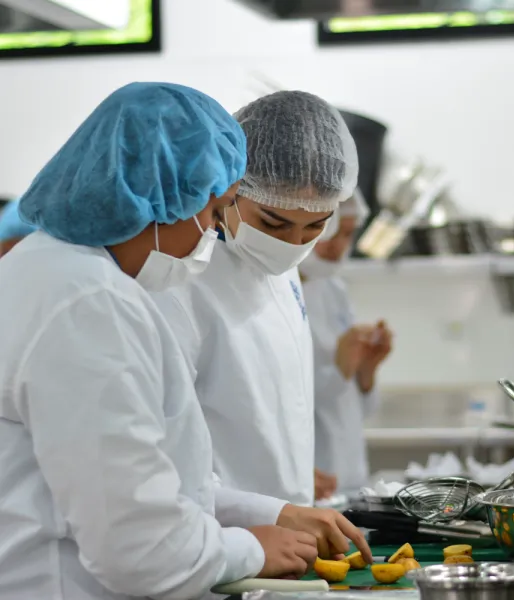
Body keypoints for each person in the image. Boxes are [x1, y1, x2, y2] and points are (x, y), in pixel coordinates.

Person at [0, 82, 370, 600]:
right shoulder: (87, 304)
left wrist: (272, 514)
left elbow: (164, 484)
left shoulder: (60, 275)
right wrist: (252, 547)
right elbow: (140, 551)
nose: (209, 235)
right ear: (162, 196)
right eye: (215, 212)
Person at [154, 91, 359, 509]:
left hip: (288, 532)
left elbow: (271, 408)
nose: (292, 244)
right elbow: (166, 457)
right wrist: (264, 514)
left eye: (315, 226)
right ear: (230, 188)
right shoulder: (181, 278)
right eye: (274, 222)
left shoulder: (285, 275)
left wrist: (293, 478)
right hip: (217, 535)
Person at [300, 189, 393, 493]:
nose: (339, 247)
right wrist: (339, 370)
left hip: (351, 475)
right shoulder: (274, 295)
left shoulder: (333, 289)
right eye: (331, 232)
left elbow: (356, 408)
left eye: (348, 234)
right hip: (312, 478)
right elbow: (279, 403)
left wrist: (365, 372)